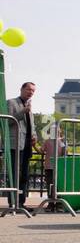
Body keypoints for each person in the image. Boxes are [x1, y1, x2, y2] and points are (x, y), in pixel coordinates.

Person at [5, 81, 35, 211]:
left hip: (27, 144)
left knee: (24, 175)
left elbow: (31, 125)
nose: (31, 92)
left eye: (33, 91)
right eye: (29, 89)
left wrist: (34, 135)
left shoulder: (29, 105)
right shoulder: (11, 103)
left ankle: (21, 202)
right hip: (14, 145)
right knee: (14, 173)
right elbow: (7, 121)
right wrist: (23, 111)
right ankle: (13, 202)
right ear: (22, 89)